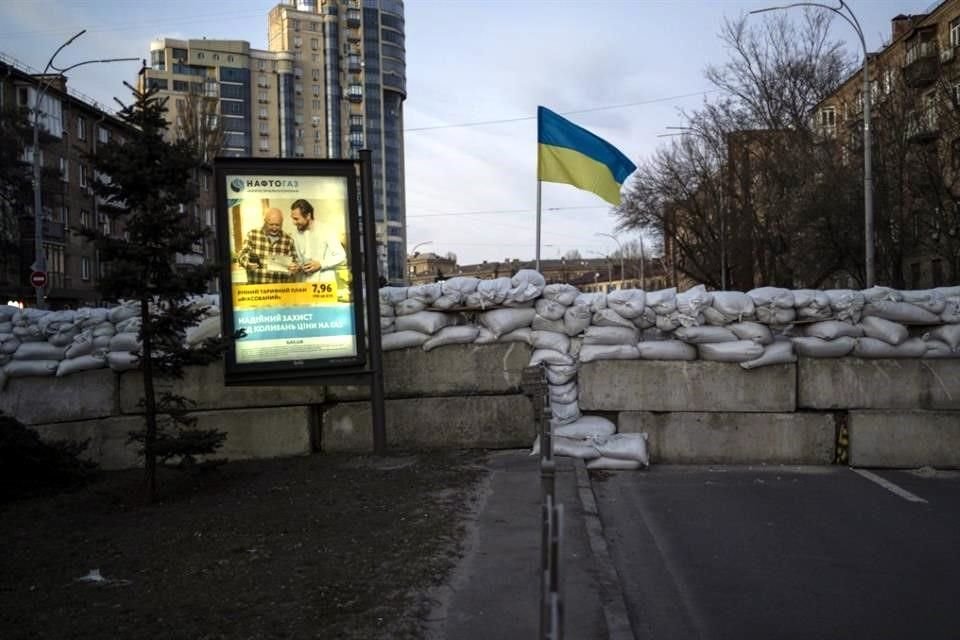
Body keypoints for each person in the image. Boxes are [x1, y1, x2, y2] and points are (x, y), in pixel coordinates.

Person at [289, 198, 347, 283]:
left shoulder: (326, 230)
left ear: (308, 216)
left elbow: (341, 256)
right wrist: (297, 266)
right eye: (293, 218)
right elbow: (300, 260)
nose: (293, 222)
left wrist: (320, 264)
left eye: (296, 219)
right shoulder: (295, 234)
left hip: (325, 287)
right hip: (305, 286)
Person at [236, 208, 299, 283]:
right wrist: (247, 264)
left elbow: (296, 261)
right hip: (257, 290)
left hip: (280, 290)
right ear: (265, 222)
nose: (274, 228)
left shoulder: (288, 240)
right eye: (271, 225)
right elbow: (242, 254)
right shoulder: (252, 234)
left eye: (277, 225)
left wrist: (295, 267)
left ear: (282, 223)